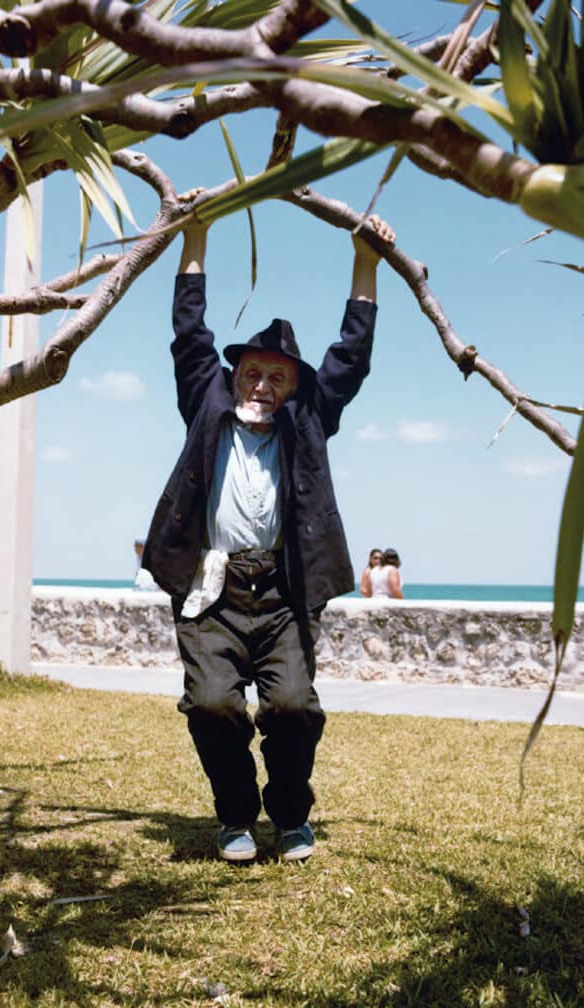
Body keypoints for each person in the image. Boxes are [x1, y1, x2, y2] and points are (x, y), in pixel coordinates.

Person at [142, 199, 395, 863]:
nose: (261, 384)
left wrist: (364, 262)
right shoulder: (206, 400)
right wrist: (194, 233)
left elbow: (350, 356)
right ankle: (234, 815)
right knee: (211, 706)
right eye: (252, 371)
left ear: (292, 387)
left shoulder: (308, 418)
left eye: (276, 377)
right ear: (235, 375)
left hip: (282, 592)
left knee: (291, 709)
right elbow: (188, 331)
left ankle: (289, 816)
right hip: (209, 590)